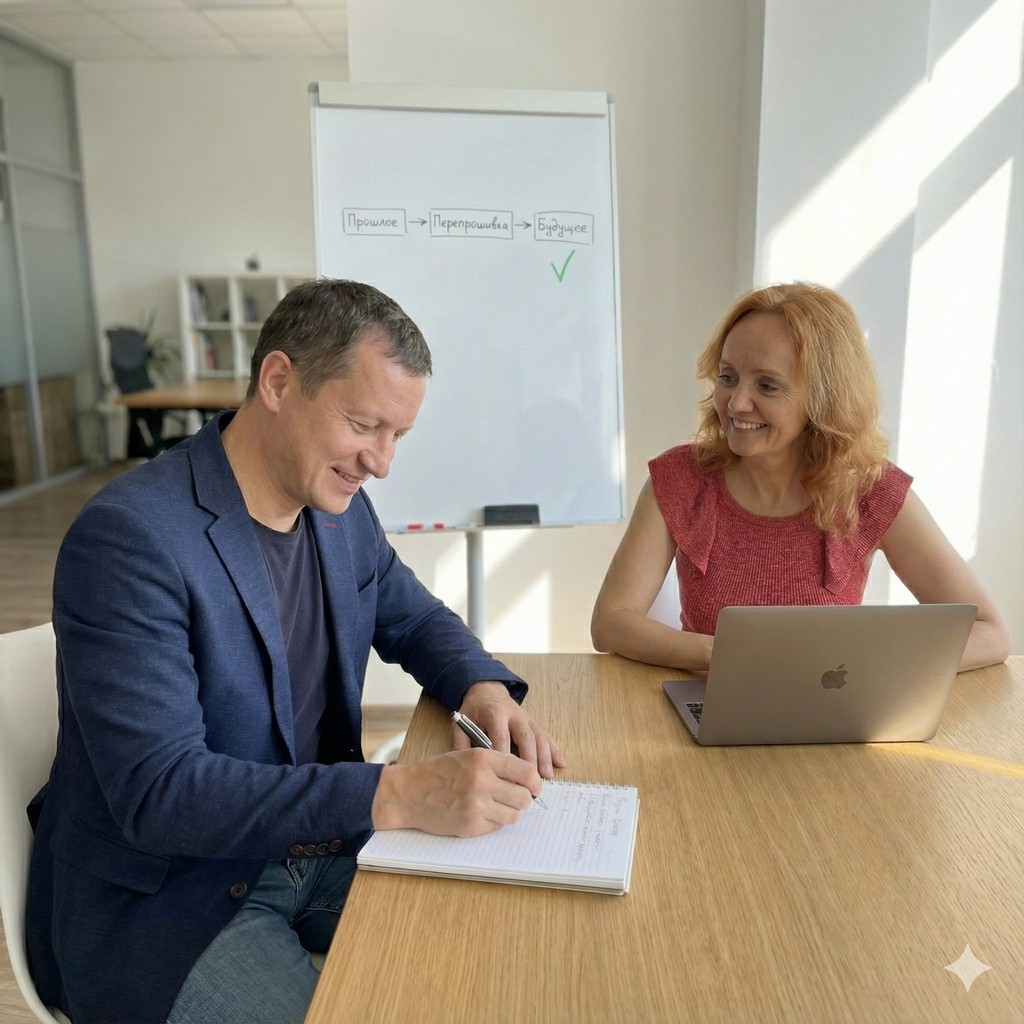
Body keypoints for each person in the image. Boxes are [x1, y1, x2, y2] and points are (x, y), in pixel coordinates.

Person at [27, 279, 566, 1024]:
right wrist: (398, 792)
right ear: (278, 381)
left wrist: (483, 690)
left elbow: (413, 620)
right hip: (170, 902)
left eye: (398, 436)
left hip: (314, 843)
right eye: (363, 425)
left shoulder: (339, 509)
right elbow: (161, 793)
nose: (381, 463)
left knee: (491, 953)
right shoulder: (131, 539)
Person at [591, 281, 1010, 675]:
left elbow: (990, 634)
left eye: (768, 386)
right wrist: (725, 654)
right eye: (728, 376)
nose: (736, 403)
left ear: (823, 399)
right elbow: (611, 622)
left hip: (830, 721)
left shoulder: (871, 491)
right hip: (707, 706)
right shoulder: (680, 478)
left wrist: (874, 667)